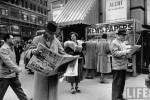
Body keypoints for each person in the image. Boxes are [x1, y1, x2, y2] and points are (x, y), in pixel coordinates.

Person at [26, 21, 66, 100]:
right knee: (41, 95)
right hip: (41, 73)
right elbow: (27, 52)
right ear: (45, 30)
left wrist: (70, 57)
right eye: (49, 32)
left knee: (52, 96)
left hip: (53, 73)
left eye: (52, 33)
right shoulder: (37, 39)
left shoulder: (56, 41)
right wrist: (33, 51)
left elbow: (63, 53)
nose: (51, 35)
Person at [0, 34, 32, 100]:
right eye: (12, 38)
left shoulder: (12, 47)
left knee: (18, 89)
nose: (13, 40)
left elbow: (13, 60)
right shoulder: (3, 49)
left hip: (13, 74)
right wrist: (17, 69)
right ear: (7, 39)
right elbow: (8, 61)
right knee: (1, 92)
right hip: (5, 76)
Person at [110, 29, 131, 100]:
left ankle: (119, 96)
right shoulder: (114, 42)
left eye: (124, 35)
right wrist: (126, 52)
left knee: (122, 83)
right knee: (116, 83)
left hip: (123, 65)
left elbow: (123, 53)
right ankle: (115, 98)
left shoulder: (122, 42)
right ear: (118, 35)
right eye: (123, 35)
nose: (124, 37)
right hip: (117, 66)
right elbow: (115, 54)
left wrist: (130, 53)